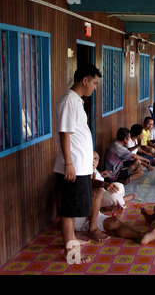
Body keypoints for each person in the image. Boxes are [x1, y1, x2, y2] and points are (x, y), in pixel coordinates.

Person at [53, 64, 104, 263]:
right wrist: (69, 163)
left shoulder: (76, 101)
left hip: (80, 166)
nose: (95, 87)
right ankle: (71, 252)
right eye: (94, 83)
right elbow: (64, 133)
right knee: (69, 210)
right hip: (72, 166)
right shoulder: (69, 101)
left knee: (74, 208)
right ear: (85, 80)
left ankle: (72, 239)